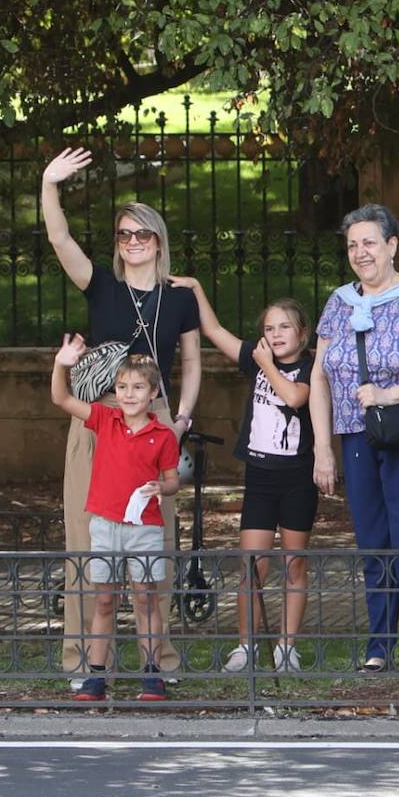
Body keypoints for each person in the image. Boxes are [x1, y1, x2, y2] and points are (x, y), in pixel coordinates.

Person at [41, 148, 201, 683]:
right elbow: (60, 239)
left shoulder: (179, 298)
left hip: (154, 419)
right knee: (86, 539)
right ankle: (86, 662)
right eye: (124, 235)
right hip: (99, 418)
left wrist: (180, 419)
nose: (133, 242)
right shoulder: (102, 286)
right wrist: (49, 184)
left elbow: (193, 363)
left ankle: (159, 660)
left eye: (142, 234)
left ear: (158, 241)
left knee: (155, 539)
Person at [309, 204, 399, 674]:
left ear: (392, 245)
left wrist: (388, 395)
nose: (360, 252)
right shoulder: (338, 302)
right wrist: (322, 448)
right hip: (355, 436)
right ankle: (379, 645)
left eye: (369, 242)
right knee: (372, 542)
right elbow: (320, 376)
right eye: (352, 245)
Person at [169, 276, 316, 673]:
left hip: (297, 478)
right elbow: (214, 331)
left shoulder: (310, 366)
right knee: (253, 565)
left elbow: (294, 397)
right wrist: (196, 289)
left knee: (294, 564)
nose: (276, 334)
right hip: (261, 477)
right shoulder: (256, 357)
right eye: (269, 328)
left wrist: (266, 363)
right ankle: (246, 647)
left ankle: (286, 648)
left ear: (302, 333)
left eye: (284, 326)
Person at [51, 340, 180, 701]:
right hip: (105, 525)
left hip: (144, 528)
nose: (128, 394)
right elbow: (61, 398)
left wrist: (162, 487)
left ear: (153, 392)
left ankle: (152, 674)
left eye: (137, 387)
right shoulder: (104, 420)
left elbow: (173, 480)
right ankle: (96, 675)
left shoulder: (163, 435)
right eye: (122, 387)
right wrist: (61, 365)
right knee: (104, 600)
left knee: (146, 599)